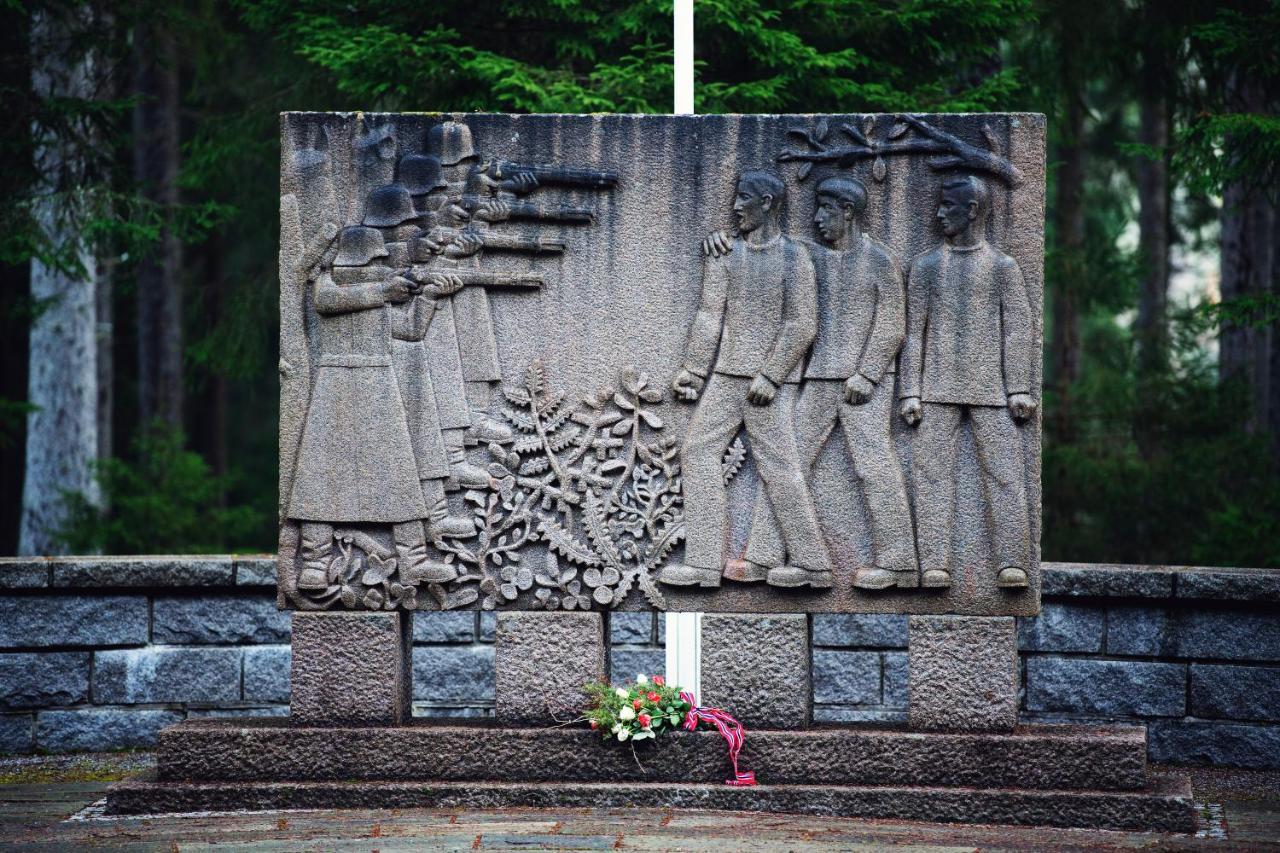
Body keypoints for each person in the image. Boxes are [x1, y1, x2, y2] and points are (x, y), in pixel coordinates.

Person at [708, 176, 919, 590]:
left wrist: (868, 373)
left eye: (825, 210)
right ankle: (763, 558)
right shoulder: (809, 257)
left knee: (873, 465)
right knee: (788, 465)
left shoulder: (880, 260)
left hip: (865, 386)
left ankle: (900, 564)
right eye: (816, 209)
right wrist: (718, 239)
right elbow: (764, 248)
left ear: (848, 212)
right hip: (819, 379)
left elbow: (892, 326)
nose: (817, 218)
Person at [661, 170, 831, 589]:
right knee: (697, 453)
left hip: (766, 385)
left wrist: (771, 376)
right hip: (725, 375)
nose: (735, 206)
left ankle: (813, 564)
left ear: (769, 203)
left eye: (743, 198)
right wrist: (695, 369)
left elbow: (802, 323)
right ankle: (703, 564)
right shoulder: (725, 254)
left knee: (780, 467)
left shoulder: (795, 258)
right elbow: (708, 314)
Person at [898, 174, 1036, 590]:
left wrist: (1018, 388)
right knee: (930, 475)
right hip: (936, 390)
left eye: (948, 205)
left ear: (972, 211)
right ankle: (934, 563)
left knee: (1005, 474)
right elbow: (912, 333)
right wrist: (910, 391)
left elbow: (1018, 329)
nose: (939, 213)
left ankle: (1013, 562)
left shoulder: (1002, 267)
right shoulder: (925, 266)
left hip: (992, 391)